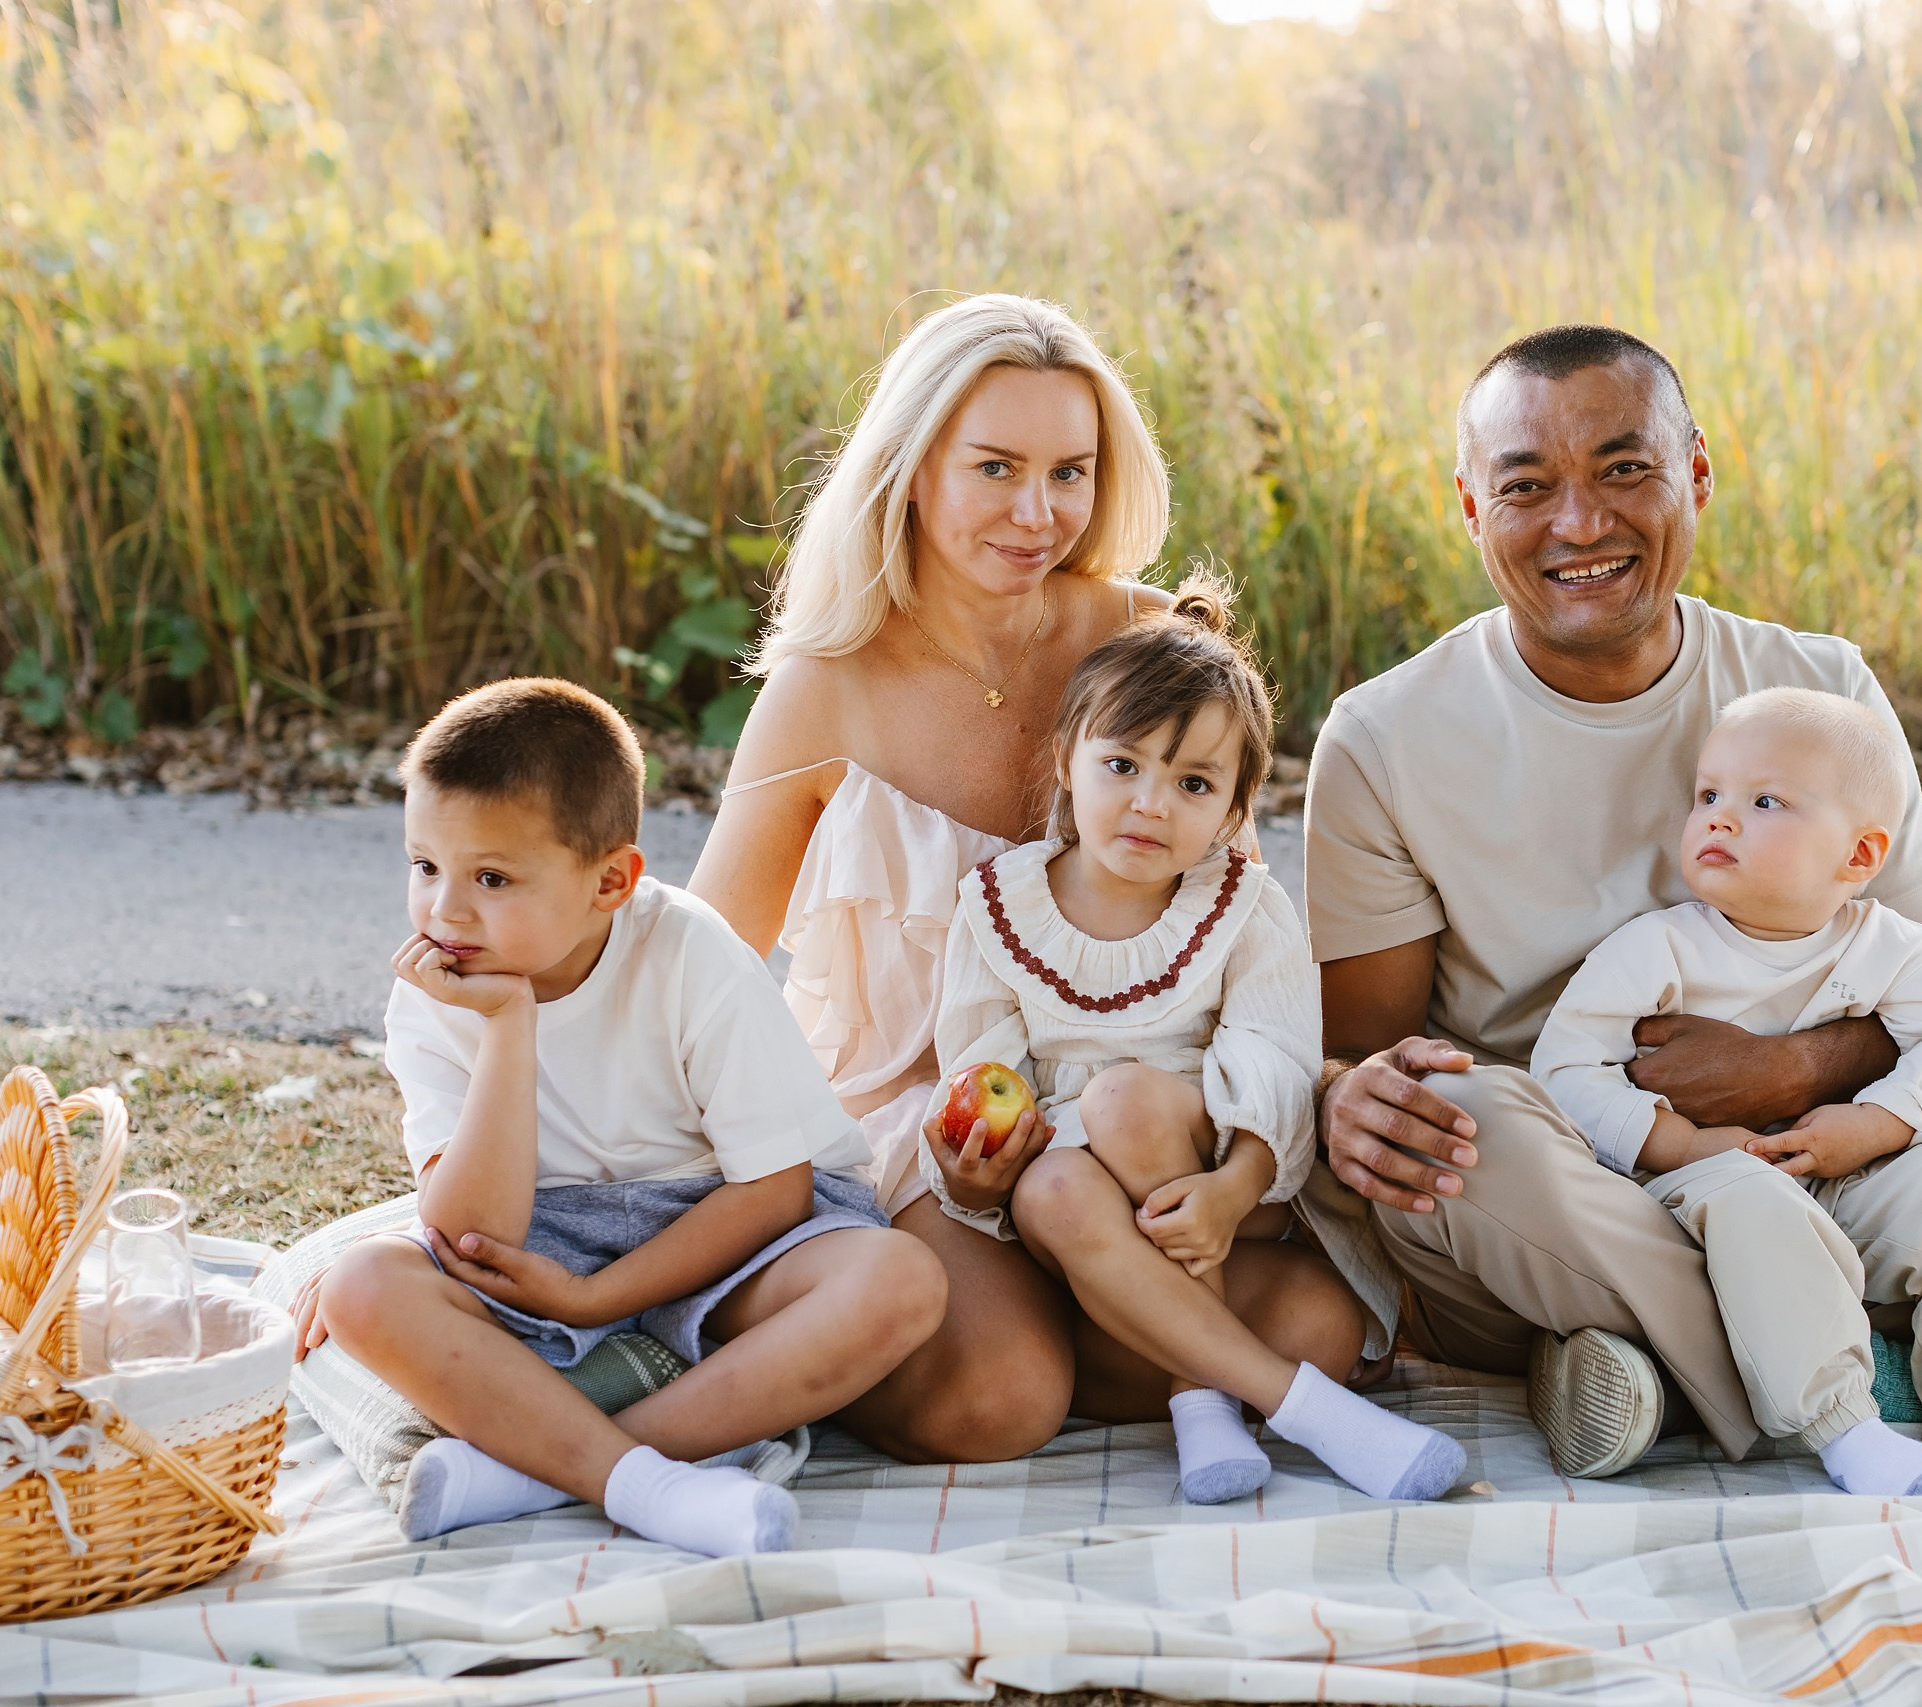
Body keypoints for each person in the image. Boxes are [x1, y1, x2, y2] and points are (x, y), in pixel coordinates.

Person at [1307, 323, 1922, 1477]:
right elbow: (1368, 1059)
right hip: (1586, 1204)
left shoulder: (1814, 686)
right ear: (1471, 506)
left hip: (1838, 1166)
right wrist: (1353, 1097)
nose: (1579, 522)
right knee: (1452, 1127)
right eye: (1526, 487)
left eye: (1624, 469)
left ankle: (1686, 1382)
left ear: (1696, 473)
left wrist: (1788, 1072)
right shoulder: (1384, 736)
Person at [689, 294, 1369, 1463]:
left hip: (1137, 1108)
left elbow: (1231, 914)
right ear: (912, 469)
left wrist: (1251, 1136)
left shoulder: (1153, 644)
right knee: (998, 1400)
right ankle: (810, 1316)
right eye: (995, 468)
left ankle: (1100, 1320)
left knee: (1321, 1324)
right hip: (941, 1126)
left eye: (1069, 473)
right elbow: (702, 960)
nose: (1037, 513)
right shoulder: (825, 687)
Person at [309, 679, 946, 1554]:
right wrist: (507, 1029)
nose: (445, 910)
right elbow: (466, 1232)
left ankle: (563, 1469)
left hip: (725, 1228)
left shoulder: (688, 951)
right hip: (547, 1234)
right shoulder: (436, 990)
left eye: (491, 878)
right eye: (424, 866)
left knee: (898, 1279)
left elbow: (774, 1191)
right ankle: (637, 1477)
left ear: (610, 880)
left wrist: (597, 1298)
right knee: (360, 1287)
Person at [925, 581, 1457, 1504]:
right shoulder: (999, 908)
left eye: (1194, 784)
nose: (1151, 804)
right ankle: (1269, 1404)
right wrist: (974, 1176)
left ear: (1234, 806)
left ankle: (1193, 1378)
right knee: (1055, 1179)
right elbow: (982, 1074)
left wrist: (1232, 1188)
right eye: (1122, 765)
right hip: (1077, 1218)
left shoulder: (1243, 908)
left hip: (1223, 1188)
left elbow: (1277, 1065)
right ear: (1066, 759)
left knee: (1316, 1315)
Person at [1531, 687, 1922, 1498]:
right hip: (1698, 1201)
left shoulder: (1895, 948)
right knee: (1753, 1195)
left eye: (1764, 802)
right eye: (1708, 796)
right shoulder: (1656, 948)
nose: (1722, 819)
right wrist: (1678, 1142)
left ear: (1860, 856)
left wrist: (1878, 1123)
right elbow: (1562, 1066)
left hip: (1844, 1185)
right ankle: (1842, 1424)